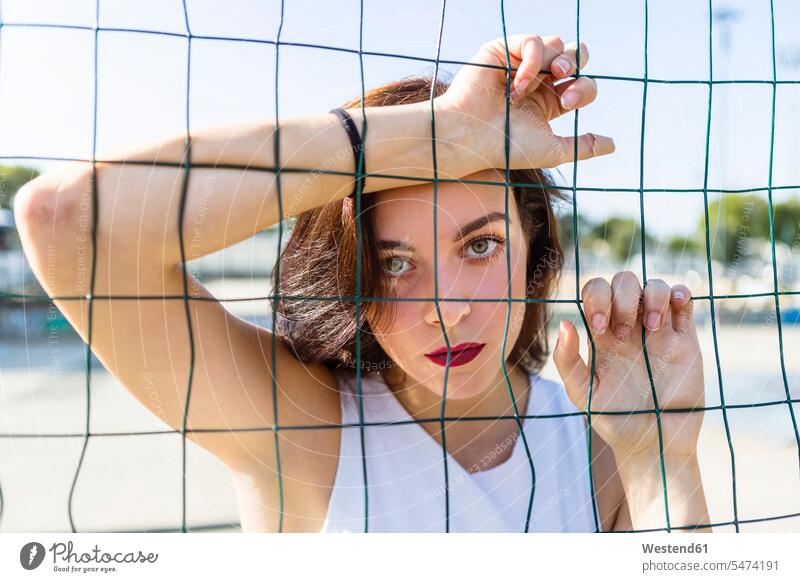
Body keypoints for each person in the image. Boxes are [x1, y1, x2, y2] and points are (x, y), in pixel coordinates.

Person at [14, 34, 709, 533]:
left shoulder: (605, 446)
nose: (446, 310)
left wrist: (659, 458)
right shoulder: (298, 427)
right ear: (349, 278)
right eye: (395, 262)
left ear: (534, 252)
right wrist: (437, 134)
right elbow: (65, 218)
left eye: (482, 244)